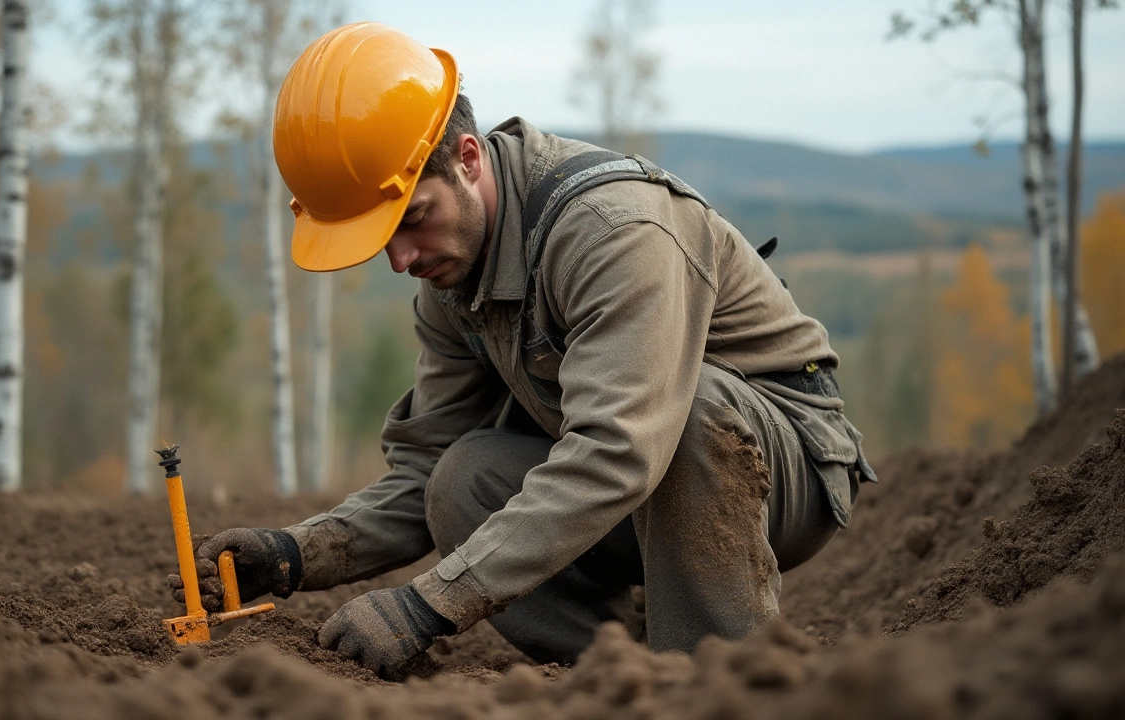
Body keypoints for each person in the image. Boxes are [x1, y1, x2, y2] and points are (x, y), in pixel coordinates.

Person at [168, 21, 876, 676]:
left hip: (780, 469)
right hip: (638, 487)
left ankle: (725, 680)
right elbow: (422, 471)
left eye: (413, 219)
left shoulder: (612, 230)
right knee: (463, 474)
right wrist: (298, 553)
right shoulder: (450, 277)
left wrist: (428, 604)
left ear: (468, 158)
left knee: (684, 412)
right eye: (381, 240)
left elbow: (618, 448)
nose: (401, 260)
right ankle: (621, 670)